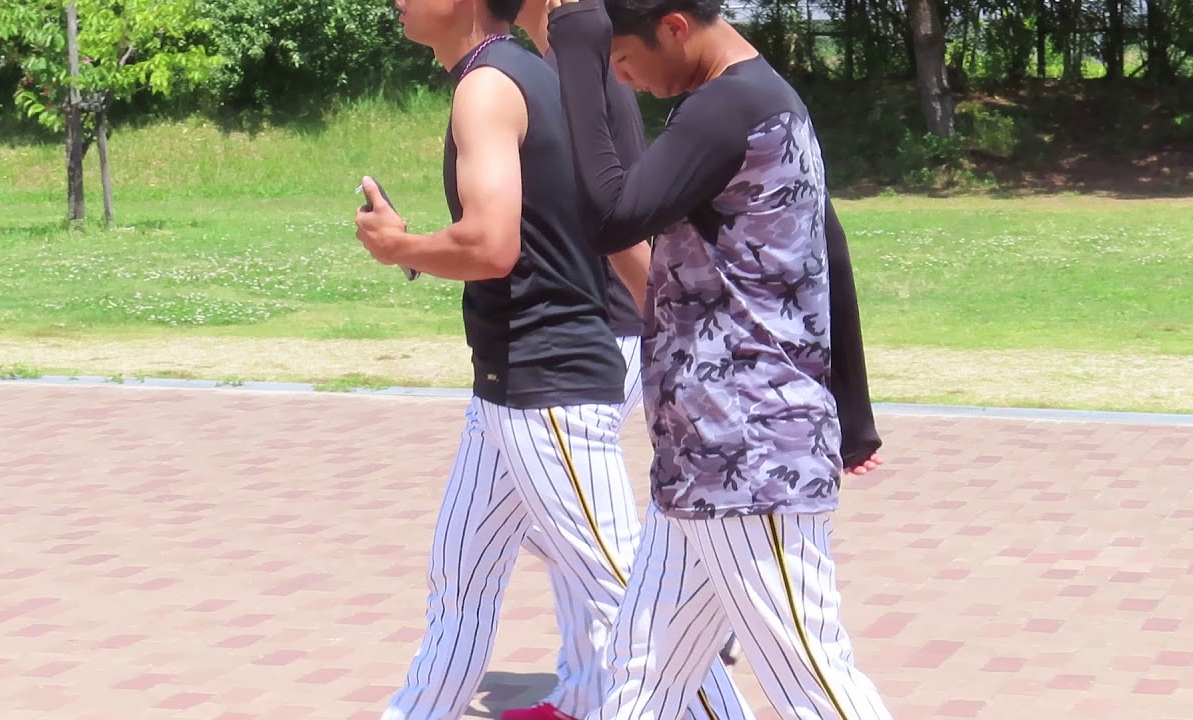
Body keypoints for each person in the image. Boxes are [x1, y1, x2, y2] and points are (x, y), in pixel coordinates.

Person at [352, 0, 754, 717]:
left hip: (548, 388)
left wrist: (398, 247)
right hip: (507, 386)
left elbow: (491, 245)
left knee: (628, 601)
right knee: (460, 584)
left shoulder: (488, 86)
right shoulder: (529, 74)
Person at [545, 0, 895, 717]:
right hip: (704, 459)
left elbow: (611, 216)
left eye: (624, 59)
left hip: (748, 457)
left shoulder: (727, 109)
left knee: (815, 686)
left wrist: (576, 46)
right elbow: (828, 251)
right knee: (643, 675)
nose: (624, 79)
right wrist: (853, 414)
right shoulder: (765, 100)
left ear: (675, 26)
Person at [501, 5, 753, 720]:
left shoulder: (588, 67)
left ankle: (700, 611)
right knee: (556, 520)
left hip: (600, 321)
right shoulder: (553, 65)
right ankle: (587, 689)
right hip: (576, 324)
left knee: (582, 528)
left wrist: (658, 318)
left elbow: (618, 211)